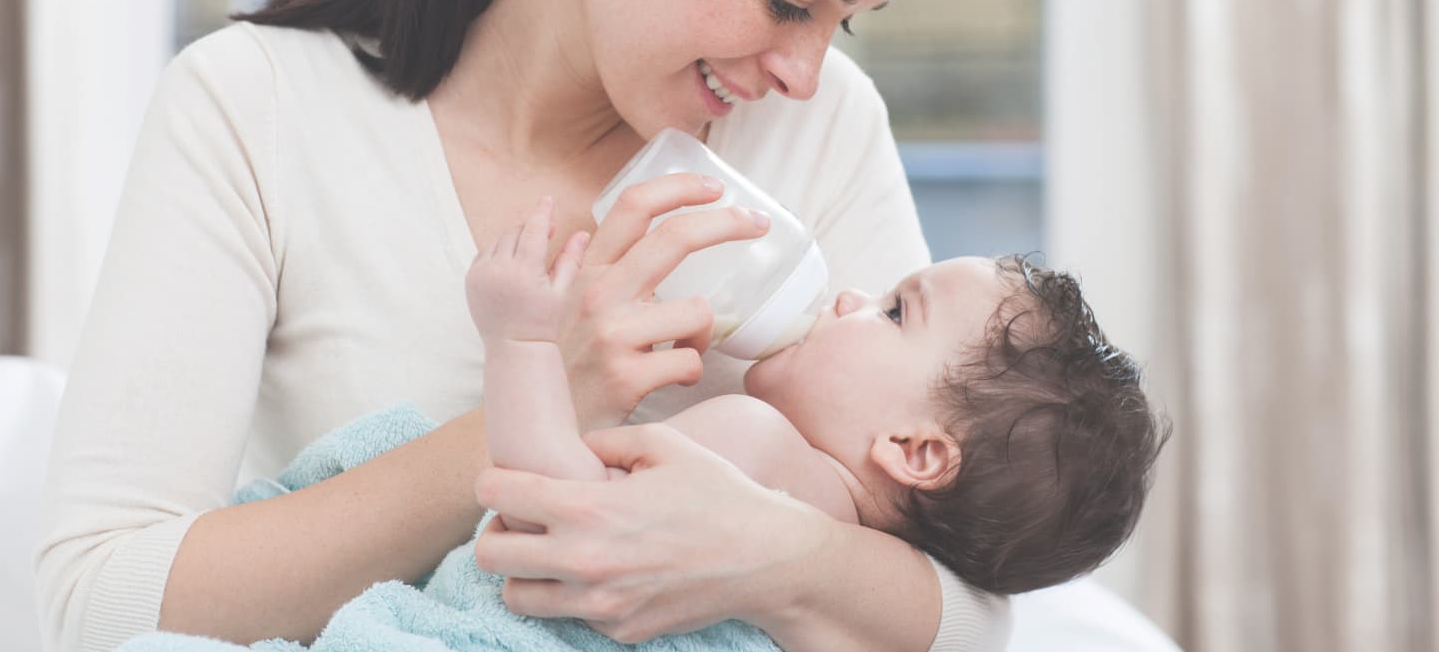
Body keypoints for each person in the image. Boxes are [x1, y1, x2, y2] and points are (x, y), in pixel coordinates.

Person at [35, 0, 1010, 650]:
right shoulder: (256, 110)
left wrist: (768, 553)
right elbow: (97, 602)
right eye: (789, 1)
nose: (805, 72)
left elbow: (969, 607)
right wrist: (542, 402)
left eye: (844, 22)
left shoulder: (816, 128)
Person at [472, 198, 1170, 596]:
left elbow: (554, 517)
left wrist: (520, 340)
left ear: (915, 450)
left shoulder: (754, 443)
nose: (847, 296)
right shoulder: (861, 577)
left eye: (893, 311)